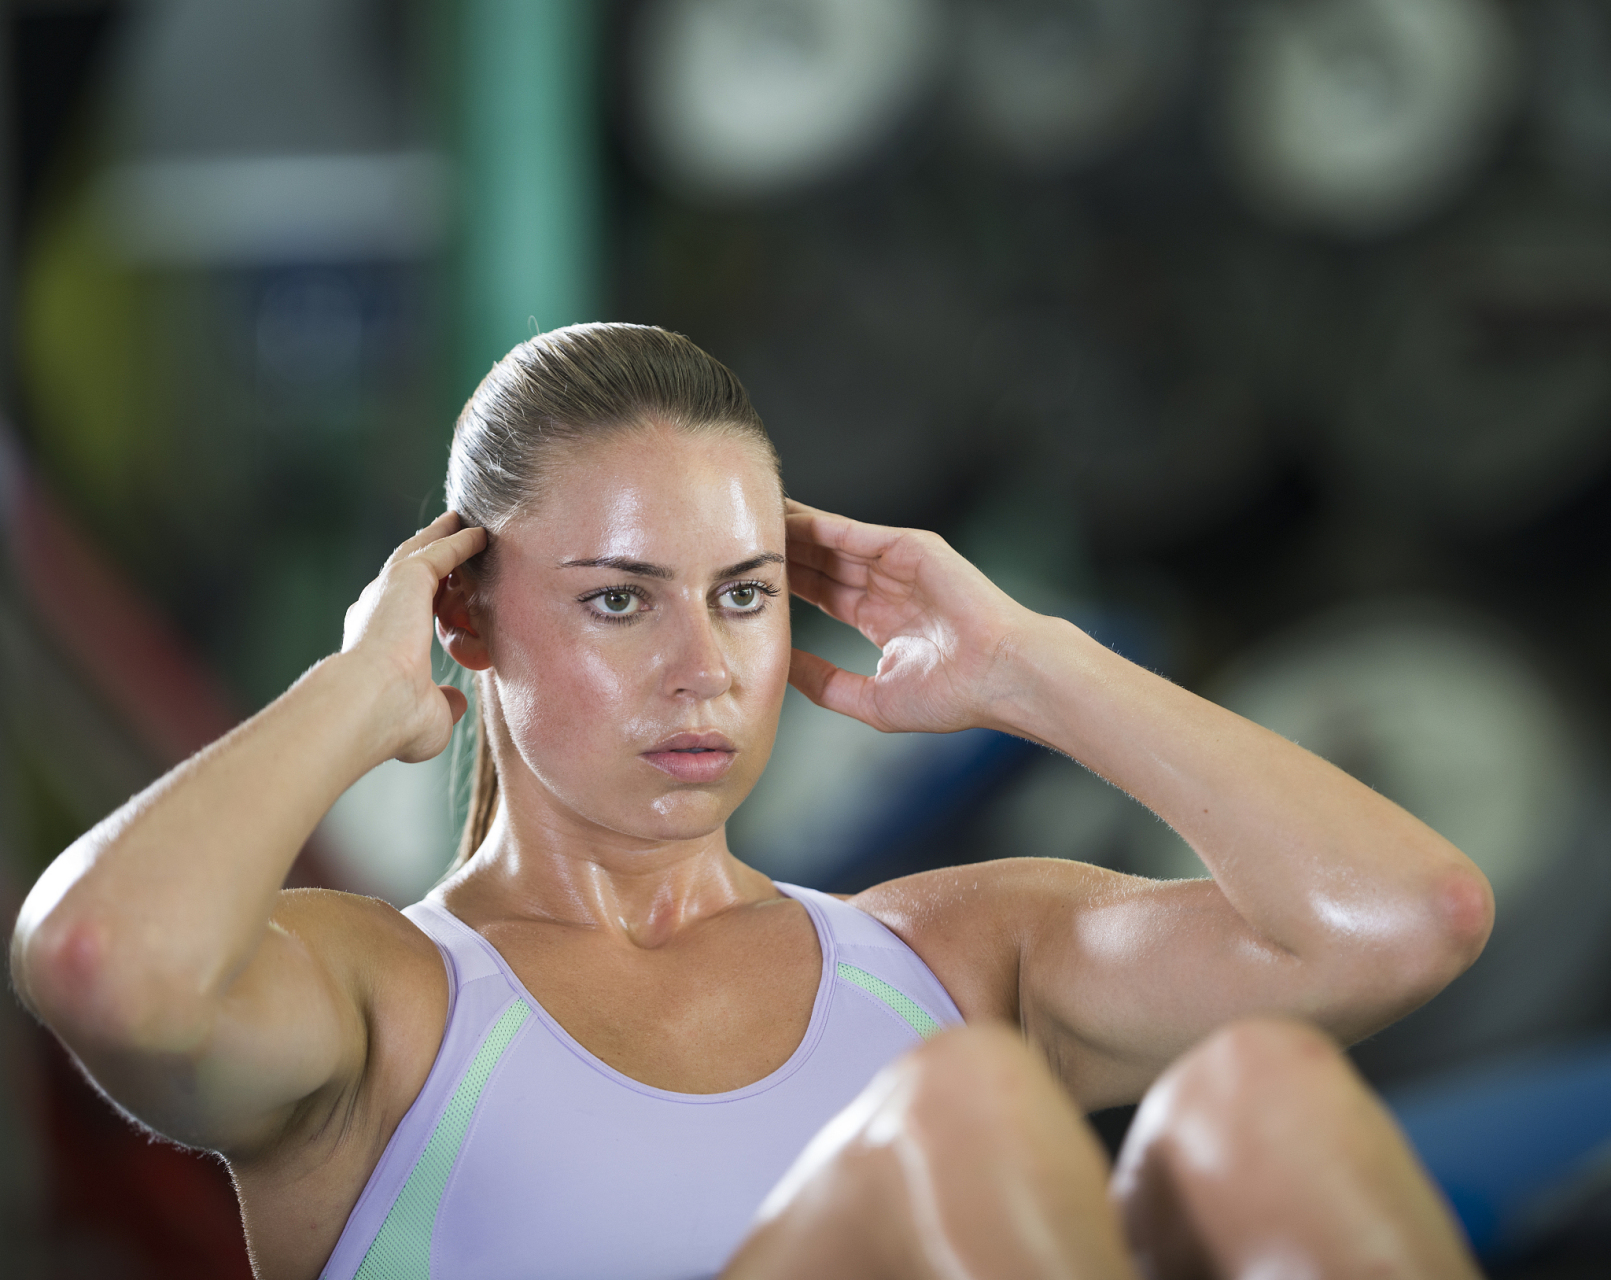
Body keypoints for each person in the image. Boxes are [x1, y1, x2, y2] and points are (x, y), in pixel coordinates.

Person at [11, 324, 1492, 1279]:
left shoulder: (951, 961)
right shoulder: (377, 1006)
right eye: (616, 602)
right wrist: (354, 690)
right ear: (464, 618)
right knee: (969, 1115)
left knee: (1265, 1099)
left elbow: (1403, 919)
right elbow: (102, 964)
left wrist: (1034, 666)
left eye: (743, 597)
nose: (701, 670)